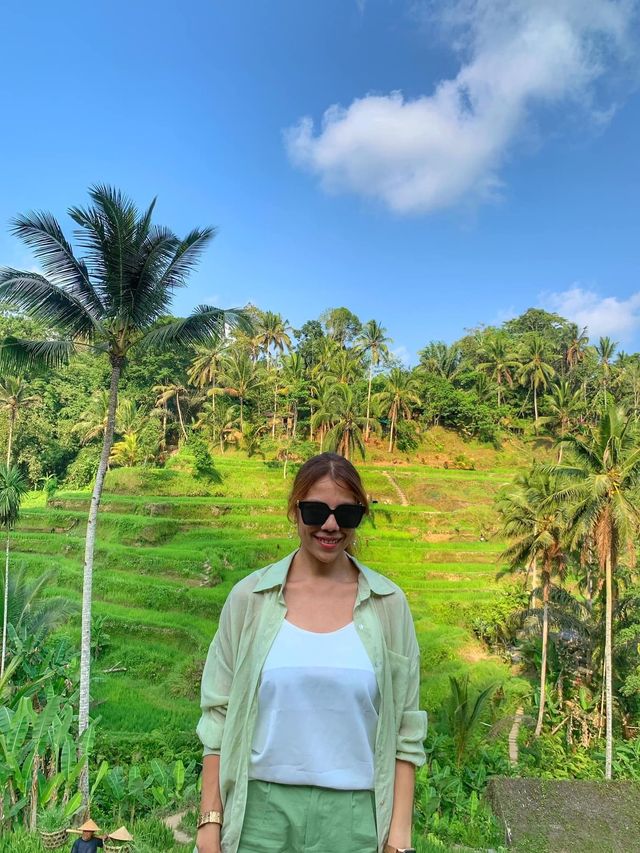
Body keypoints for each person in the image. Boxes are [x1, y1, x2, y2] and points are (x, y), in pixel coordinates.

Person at [195, 452, 427, 853]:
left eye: (347, 514)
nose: (331, 525)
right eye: (315, 510)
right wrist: (209, 826)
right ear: (294, 510)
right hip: (257, 816)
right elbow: (218, 718)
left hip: (355, 819)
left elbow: (407, 730)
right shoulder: (250, 599)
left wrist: (399, 839)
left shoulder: (389, 605)